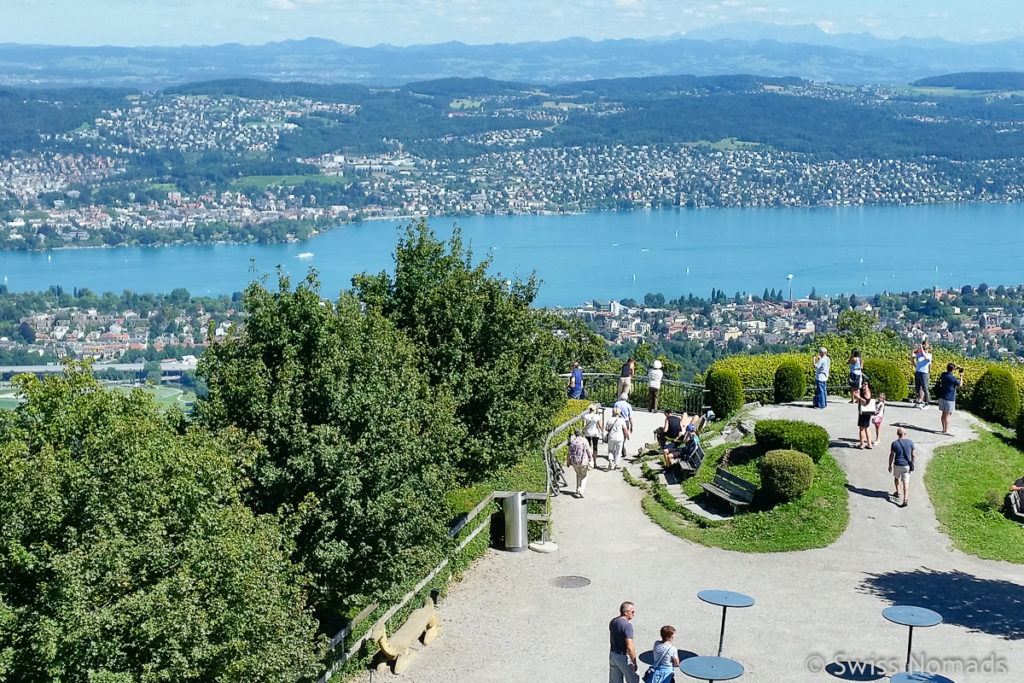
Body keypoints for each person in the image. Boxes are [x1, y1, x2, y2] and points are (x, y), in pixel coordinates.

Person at [609, 601, 639, 683]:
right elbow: (630, 646)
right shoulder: (627, 626)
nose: (634, 614)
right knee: (633, 679)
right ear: (626, 612)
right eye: (632, 612)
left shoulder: (613, 621)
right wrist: (634, 662)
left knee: (615, 681)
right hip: (623, 657)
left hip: (613, 655)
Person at [888, 427, 916, 507]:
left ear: (897, 434)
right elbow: (913, 455)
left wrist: (889, 465)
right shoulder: (910, 442)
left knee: (896, 478)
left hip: (897, 464)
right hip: (906, 465)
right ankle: (905, 499)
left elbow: (891, 455)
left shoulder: (894, 443)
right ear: (905, 434)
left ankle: (898, 492)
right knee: (906, 482)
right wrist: (912, 463)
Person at [566, 429, 594, 498]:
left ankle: (577, 488)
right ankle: (581, 490)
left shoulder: (573, 442)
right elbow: (588, 451)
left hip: (575, 462)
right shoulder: (584, 441)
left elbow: (569, 453)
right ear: (581, 433)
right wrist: (591, 458)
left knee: (578, 474)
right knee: (584, 475)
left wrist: (568, 461)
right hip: (584, 461)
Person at [938, 363, 963, 435]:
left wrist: (955, 368)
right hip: (949, 398)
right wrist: (961, 376)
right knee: (948, 415)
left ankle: (943, 429)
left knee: (943, 414)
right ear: (952, 370)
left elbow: (949, 371)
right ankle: (945, 430)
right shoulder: (953, 378)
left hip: (942, 396)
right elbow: (960, 385)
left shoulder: (943, 375)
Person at [854, 379, 875, 449]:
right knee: (866, 428)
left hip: (865, 412)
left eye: (865, 384)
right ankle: (869, 444)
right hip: (863, 411)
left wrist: (859, 397)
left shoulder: (867, 391)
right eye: (863, 383)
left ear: (868, 385)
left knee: (862, 428)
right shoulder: (862, 390)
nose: (863, 385)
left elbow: (866, 401)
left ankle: (862, 444)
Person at [911, 340, 932, 408]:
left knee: (925, 388)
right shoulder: (919, 354)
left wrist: (922, 349)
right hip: (918, 372)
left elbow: (925, 357)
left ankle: (927, 403)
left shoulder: (929, 355)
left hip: (924, 373)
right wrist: (913, 348)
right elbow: (912, 357)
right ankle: (918, 401)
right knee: (917, 388)